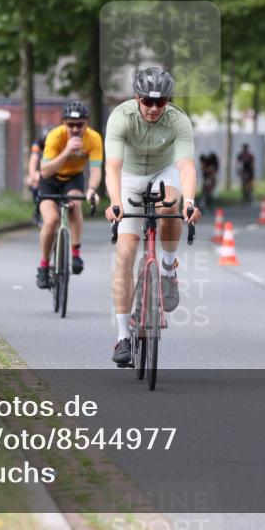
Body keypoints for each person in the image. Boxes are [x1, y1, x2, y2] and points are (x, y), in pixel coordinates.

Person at [104, 67, 200, 365]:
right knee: (125, 255)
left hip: (164, 171)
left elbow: (185, 166)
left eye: (161, 102)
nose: (155, 109)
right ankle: (122, 337)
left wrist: (190, 202)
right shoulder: (121, 117)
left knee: (170, 206)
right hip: (130, 177)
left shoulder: (178, 119)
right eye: (148, 102)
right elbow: (113, 167)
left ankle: (169, 268)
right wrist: (116, 203)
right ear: (137, 98)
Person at [36, 102, 102, 289]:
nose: (74, 129)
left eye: (79, 124)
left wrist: (91, 190)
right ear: (64, 123)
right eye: (70, 124)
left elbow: (96, 170)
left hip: (74, 179)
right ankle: (43, 265)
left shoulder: (94, 139)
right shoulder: (55, 136)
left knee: (75, 203)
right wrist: (67, 151)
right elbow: (45, 171)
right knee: (51, 220)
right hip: (50, 180)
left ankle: (75, 252)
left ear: (86, 124)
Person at [25, 130, 49, 227]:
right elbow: (33, 160)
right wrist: (32, 176)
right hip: (43, 171)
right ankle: (37, 212)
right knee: (35, 182)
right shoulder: (38, 144)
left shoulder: (59, 143)